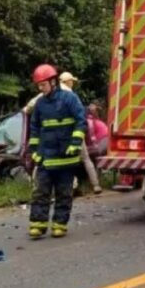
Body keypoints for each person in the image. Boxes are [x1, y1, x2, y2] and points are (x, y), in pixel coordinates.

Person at [27, 64, 87, 238]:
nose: (41, 88)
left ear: (53, 82)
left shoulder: (70, 99)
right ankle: (38, 225)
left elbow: (80, 121)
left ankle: (60, 225)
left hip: (66, 158)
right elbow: (35, 128)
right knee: (40, 193)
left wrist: (75, 143)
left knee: (64, 194)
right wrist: (34, 151)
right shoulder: (40, 104)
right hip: (46, 158)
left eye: (43, 85)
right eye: (38, 85)